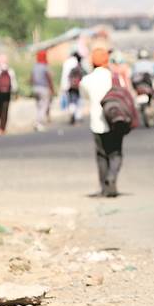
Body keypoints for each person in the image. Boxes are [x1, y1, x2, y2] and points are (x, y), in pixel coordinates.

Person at [81, 47, 123, 198]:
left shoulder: (87, 80)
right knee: (115, 153)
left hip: (97, 122)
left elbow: (85, 96)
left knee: (101, 155)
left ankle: (105, 188)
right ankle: (112, 178)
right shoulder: (114, 77)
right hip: (115, 120)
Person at [31, 50, 55, 131]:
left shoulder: (35, 66)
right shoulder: (45, 66)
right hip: (44, 88)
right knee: (44, 106)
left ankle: (38, 121)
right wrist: (52, 89)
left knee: (39, 106)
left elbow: (32, 78)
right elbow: (49, 78)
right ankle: (38, 123)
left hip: (35, 88)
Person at [60, 50, 84, 125]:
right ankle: (76, 115)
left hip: (69, 85)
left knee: (71, 101)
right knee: (76, 100)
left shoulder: (67, 63)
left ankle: (72, 113)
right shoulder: (77, 65)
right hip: (76, 86)